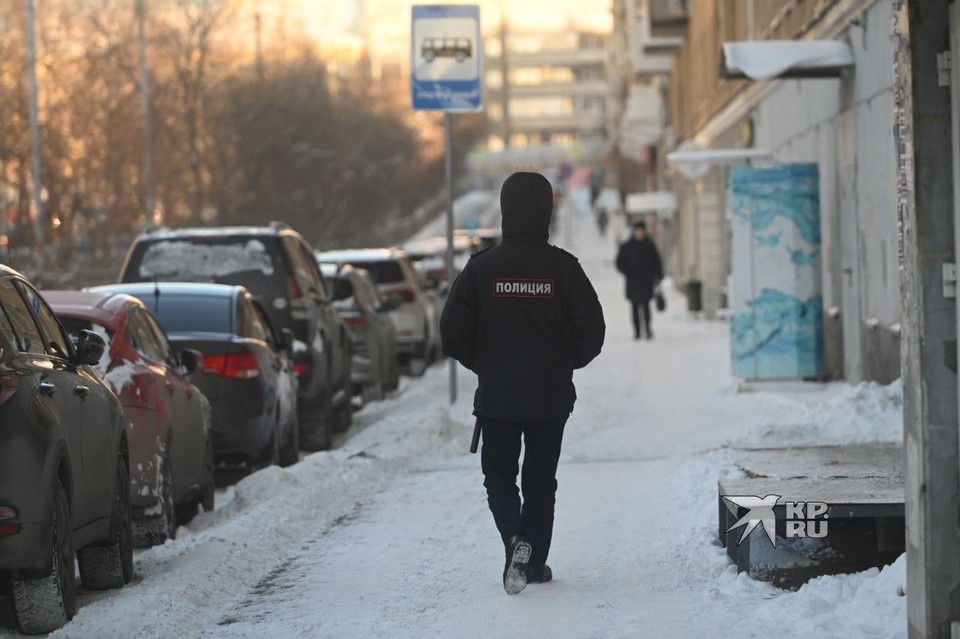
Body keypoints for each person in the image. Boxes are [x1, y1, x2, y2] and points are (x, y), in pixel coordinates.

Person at [440, 172, 606, 595]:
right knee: (540, 480)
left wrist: (486, 365)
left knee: (499, 475)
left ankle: (515, 539)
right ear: (547, 212)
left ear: (505, 211)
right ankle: (534, 563)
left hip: (498, 397)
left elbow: (452, 333)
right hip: (550, 395)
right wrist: (562, 363)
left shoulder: (481, 269)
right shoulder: (564, 268)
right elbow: (593, 333)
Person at [615, 221, 663, 340]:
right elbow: (619, 263)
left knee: (646, 307)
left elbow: (657, 262)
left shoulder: (650, 246)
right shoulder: (627, 246)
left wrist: (658, 275)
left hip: (647, 280)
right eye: (637, 231)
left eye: (641, 231)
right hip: (633, 281)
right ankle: (636, 332)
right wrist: (627, 272)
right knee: (635, 307)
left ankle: (647, 330)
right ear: (634, 232)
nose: (639, 233)